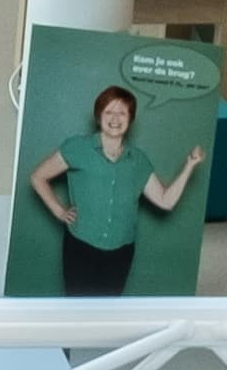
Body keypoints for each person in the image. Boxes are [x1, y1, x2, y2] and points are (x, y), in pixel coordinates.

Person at [27, 78, 164, 293]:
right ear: (99, 116)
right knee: (78, 310)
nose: (115, 119)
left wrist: (189, 166)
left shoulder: (139, 160)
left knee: (108, 313)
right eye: (109, 112)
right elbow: (38, 176)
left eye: (122, 113)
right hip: (81, 245)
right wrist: (59, 211)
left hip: (122, 249)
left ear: (131, 119)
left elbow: (165, 200)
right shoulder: (77, 148)